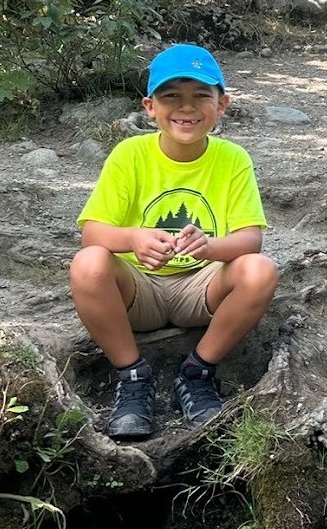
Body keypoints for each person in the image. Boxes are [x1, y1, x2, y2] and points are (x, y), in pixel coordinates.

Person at [71, 44, 280, 440]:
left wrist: (211, 247)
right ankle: (133, 376)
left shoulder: (233, 159)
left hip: (202, 290)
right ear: (150, 107)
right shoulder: (129, 155)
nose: (186, 107)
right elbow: (91, 234)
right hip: (138, 290)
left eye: (201, 95)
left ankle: (198, 371)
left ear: (222, 105)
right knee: (88, 263)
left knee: (261, 271)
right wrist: (133, 237)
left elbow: (251, 239)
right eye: (172, 97)